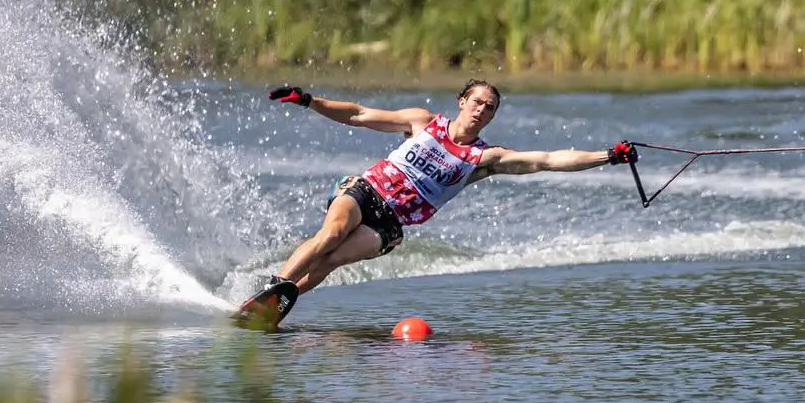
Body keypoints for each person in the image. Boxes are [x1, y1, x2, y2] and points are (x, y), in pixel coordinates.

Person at [233, 79, 637, 326]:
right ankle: (274, 287)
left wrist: (608, 155)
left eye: (490, 108)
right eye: (477, 102)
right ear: (462, 101)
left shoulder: (484, 158)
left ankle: (276, 305)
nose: (482, 110)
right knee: (333, 233)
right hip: (367, 189)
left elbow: (549, 160)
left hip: (392, 223)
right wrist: (309, 100)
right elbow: (357, 114)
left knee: (334, 259)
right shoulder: (423, 122)